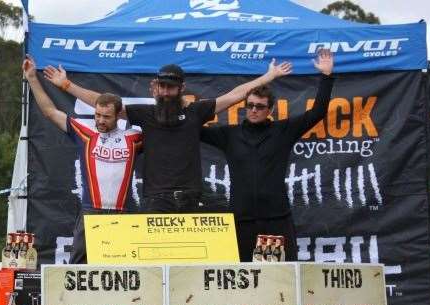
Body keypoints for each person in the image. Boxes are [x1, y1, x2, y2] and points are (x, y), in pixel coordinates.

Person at [43, 59, 292, 213]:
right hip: (156, 198)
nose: (165, 91)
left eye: (170, 87)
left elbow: (235, 94)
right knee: (156, 261)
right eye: (162, 86)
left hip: (190, 196)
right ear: (157, 86)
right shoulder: (145, 114)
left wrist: (268, 76)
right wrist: (66, 86)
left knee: (187, 260)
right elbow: (104, 103)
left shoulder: (196, 111)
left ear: (181, 88)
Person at [200, 49, 336, 262]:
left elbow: (317, 112)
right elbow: (193, 125)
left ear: (270, 109)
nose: (254, 110)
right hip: (240, 220)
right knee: (242, 280)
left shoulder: (283, 131)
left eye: (260, 107)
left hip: (274, 221)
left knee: (273, 280)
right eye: (250, 105)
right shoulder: (229, 135)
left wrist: (327, 77)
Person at [22, 55, 143, 263]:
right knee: (78, 269)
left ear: (118, 116)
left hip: (122, 214)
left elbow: (162, 132)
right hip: (91, 213)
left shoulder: (133, 137)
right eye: (97, 115)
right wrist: (32, 78)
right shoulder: (85, 132)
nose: (100, 121)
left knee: (122, 269)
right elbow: (50, 112)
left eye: (106, 117)